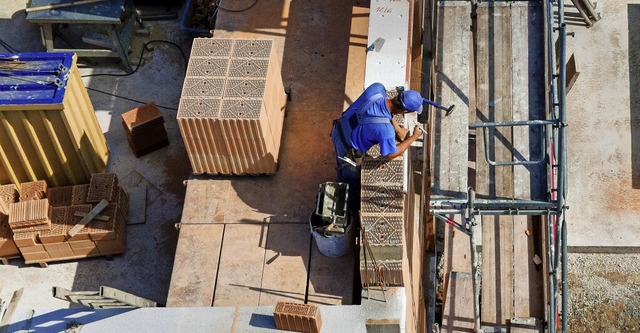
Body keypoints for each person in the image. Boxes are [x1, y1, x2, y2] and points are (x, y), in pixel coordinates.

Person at [331, 82, 426, 185]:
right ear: (405, 111)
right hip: (346, 150)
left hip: (338, 128)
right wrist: (414, 137)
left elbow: (386, 108)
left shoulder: (376, 89)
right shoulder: (386, 131)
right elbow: (390, 155)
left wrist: (397, 128)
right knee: (350, 180)